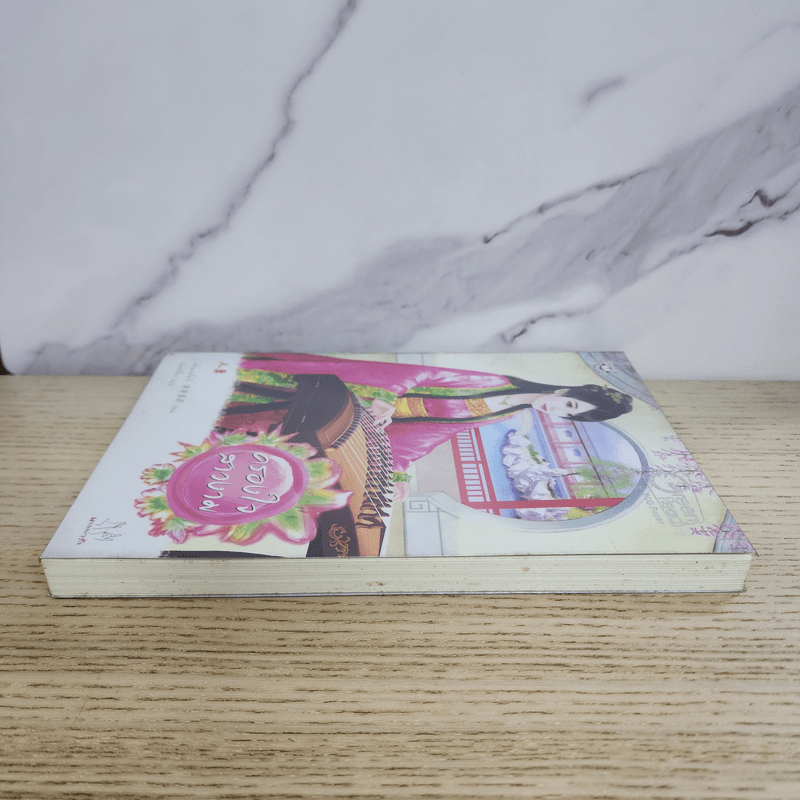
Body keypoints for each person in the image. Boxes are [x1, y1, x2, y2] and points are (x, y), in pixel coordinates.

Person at [238, 353, 633, 500]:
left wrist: (397, 473)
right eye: (568, 402)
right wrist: (388, 396)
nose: (557, 409)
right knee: (253, 389)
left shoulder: (503, 414)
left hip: (354, 415)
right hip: (354, 389)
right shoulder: (494, 381)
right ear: (564, 390)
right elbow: (423, 372)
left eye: (567, 414)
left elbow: (427, 433)